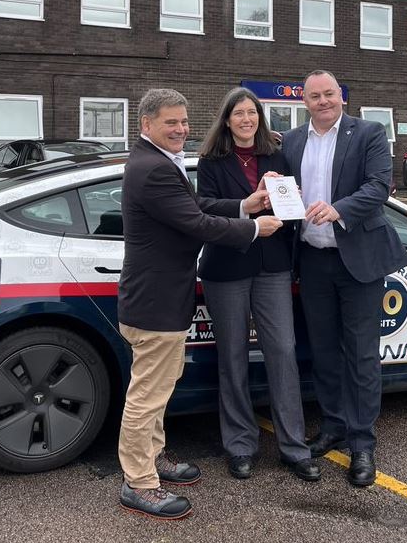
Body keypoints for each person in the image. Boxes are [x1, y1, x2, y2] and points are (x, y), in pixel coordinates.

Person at [118, 88, 282, 520]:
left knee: (159, 388)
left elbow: (194, 206)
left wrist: (242, 205)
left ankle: (154, 460)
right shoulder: (152, 169)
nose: (181, 129)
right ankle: (140, 483)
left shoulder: (156, 161)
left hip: (161, 299)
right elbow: (195, 221)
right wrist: (252, 229)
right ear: (146, 125)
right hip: (154, 301)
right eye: (170, 122)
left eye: (184, 121)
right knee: (147, 397)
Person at [282, 70, 407, 487]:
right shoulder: (292, 140)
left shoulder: (369, 132)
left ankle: (362, 443)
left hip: (358, 260)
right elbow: (284, 189)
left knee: (361, 355)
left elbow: (379, 186)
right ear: (304, 102)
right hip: (313, 259)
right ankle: (334, 426)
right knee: (322, 351)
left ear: (341, 96)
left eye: (330, 94)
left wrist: (340, 209)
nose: (323, 101)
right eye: (315, 96)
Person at [197, 87, 320, 483]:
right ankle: (239, 446)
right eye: (239, 114)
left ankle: (294, 447)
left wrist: (292, 201)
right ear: (227, 120)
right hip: (227, 266)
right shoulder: (211, 160)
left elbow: (291, 213)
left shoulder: (276, 155)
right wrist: (246, 207)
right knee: (232, 357)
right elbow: (202, 208)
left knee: (282, 351)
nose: (246, 120)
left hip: (272, 266)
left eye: (252, 113)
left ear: (259, 118)